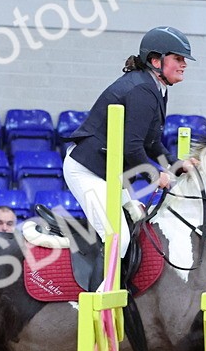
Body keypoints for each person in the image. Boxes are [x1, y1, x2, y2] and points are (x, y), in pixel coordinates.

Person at [63, 26, 195, 256]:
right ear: (156, 61)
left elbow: (152, 143)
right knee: (119, 239)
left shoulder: (156, 87)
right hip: (88, 171)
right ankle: (100, 290)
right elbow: (131, 147)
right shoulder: (143, 89)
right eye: (178, 58)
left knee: (139, 226)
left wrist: (177, 165)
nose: (184, 64)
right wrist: (156, 176)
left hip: (109, 173)